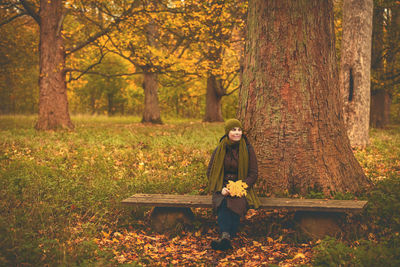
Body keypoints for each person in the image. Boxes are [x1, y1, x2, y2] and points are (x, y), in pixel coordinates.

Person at [207, 119, 260, 251]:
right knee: (224, 202)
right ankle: (227, 237)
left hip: (241, 186)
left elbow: (253, 174)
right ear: (227, 132)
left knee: (235, 203)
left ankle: (225, 237)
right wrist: (221, 188)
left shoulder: (248, 149)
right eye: (233, 130)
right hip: (222, 186)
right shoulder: (220, 149)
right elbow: (210, 172)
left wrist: (239, 187)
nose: (237, 133)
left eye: (239, 130)